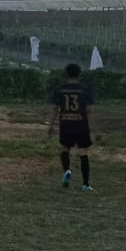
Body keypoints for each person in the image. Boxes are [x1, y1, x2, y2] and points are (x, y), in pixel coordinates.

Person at [47, 62, 95, 191]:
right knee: (83, 152)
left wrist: (51, 125)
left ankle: (67, 170)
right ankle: (85, 185)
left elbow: (55, 109)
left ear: (66, 74)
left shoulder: (60, 89)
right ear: (79, 74)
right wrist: (93, 129)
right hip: (81, 124)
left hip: (66, 123)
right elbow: (89, 110)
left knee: (64, 148)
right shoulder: (84, 89)